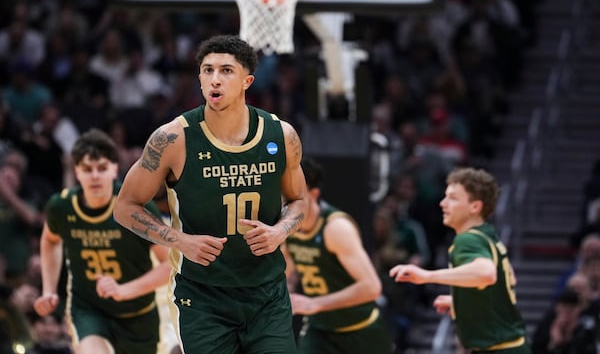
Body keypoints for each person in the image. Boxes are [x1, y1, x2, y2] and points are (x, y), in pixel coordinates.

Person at [113, 34, 309, 353]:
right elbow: (124, 208)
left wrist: (280, 231)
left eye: (226, 71)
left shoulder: (281, 135)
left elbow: (300, 201)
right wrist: (180, 241)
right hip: (201, 296)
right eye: (207, 70)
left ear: (247, 80)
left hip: (266, 293)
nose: (215, 79)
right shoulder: (172, 138)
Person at [33, 128, 171, 354]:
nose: (95, 176)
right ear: (76, 171)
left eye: (102, 168)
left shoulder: (137, 208)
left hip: (137, 314)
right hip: (89, 309)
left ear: (115, 168)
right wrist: (49, 289)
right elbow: (50, 240)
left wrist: (123, 290)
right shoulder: (61, 206)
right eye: (87, 169)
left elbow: (170, 265)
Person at [389, 167, 531, 353]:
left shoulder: (467, 240)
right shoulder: (487, 234)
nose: (442, 203)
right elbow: (509, 279)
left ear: (475, 207)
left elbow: (486, 274)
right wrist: (464, 300)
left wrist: (426, 275)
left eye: (452, 198)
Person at [283, 157, 393, 354]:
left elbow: (372, 287)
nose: (287, 199)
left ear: (314, 194)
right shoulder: (286, 227)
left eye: (295, 193)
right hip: (319, 331)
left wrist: (314, 303)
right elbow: (285, 274)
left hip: (360, 330)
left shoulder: (335, 228)